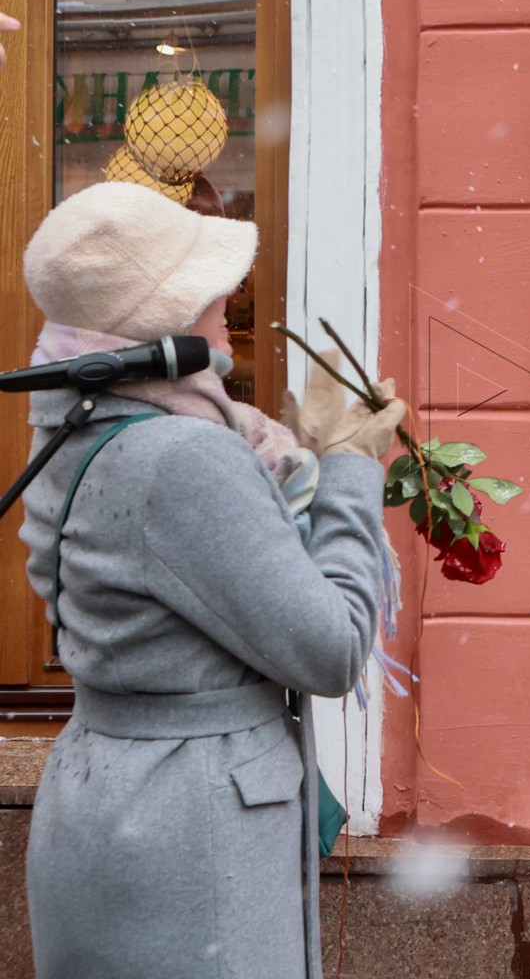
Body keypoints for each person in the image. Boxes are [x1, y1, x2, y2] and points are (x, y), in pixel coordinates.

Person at [18, 181, 406, 979]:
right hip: (192, 836)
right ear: (153, 323)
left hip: (109, 802)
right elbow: (329, 650)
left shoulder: (75, 420)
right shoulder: (183, 457)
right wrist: (350, 470)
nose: (225, 297)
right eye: (202, 287)